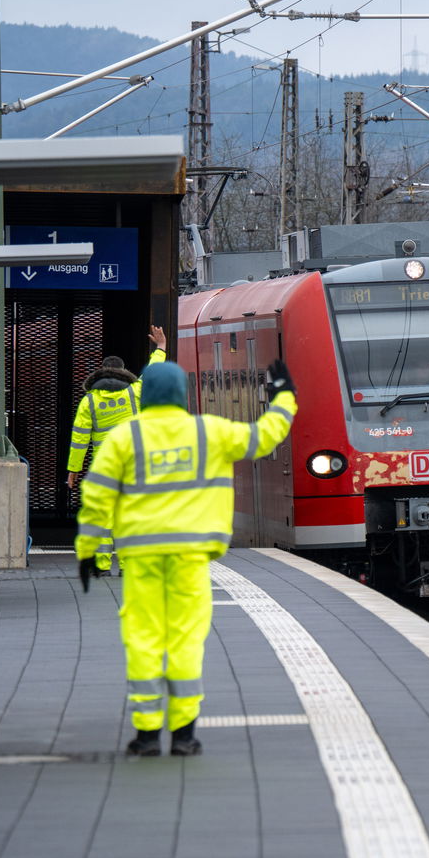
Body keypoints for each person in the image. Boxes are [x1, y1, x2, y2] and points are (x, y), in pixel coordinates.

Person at [76, 358, 297, 757]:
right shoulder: (208, 431)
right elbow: (264, 438)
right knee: (186, 640)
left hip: (141, 558)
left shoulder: (126, 438)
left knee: (143, 639)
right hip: (190, 559)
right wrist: (284, 398)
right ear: (182, 395)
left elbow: (97, 495)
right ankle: (183, 735)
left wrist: (89, 550)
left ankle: (145, 736)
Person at [66, 324, 167, 492]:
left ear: (102, 371)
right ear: (123, 371)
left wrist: (74, 469)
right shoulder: (135, 391)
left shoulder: (89, 401)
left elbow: (79, 440)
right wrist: (161, 346)